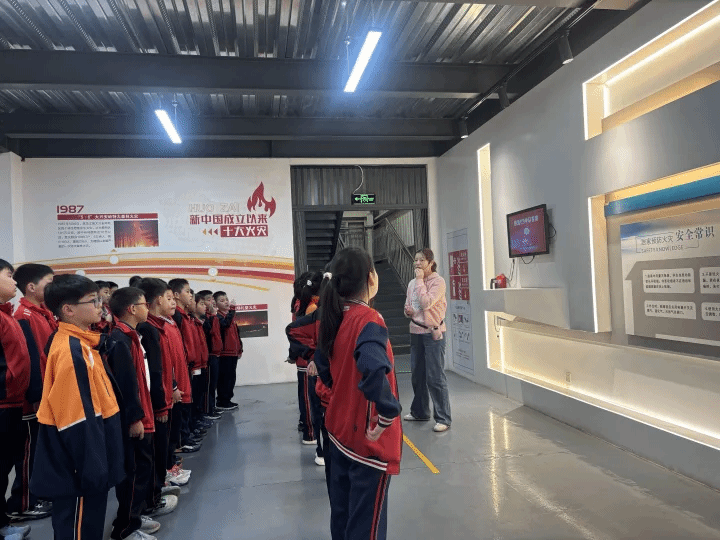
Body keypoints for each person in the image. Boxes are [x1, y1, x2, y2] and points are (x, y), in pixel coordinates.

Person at [316, 247, 402, 540]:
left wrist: (339, 392)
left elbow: (321, 362)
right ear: (371, 278)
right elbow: (372, 367)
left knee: (342, 519)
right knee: (366, 529)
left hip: (338, 434)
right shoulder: (369, 319)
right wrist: (388, 411)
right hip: (366, 444)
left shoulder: (334, 316)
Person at [32, 274, 125, 540]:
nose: (100, 305)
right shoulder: (71, 351)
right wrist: (92, 469)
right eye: (93, 300)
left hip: (89, 455)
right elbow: (76, 419)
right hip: (80, 464)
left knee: (90, 524)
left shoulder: (83, 343)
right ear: (68, 310)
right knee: (79, 528)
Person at [106, 287, 161, 540]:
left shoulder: (131, 335)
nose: (147, 308)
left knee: (142, 469)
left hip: (144, 412)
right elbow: (125, 385)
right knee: (134, 473)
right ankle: (125, 528)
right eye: (144, 304)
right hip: (135, 418)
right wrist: (135, 417)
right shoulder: (120, 339)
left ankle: (135, 517)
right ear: (132, 309)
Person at [8, 263, 56, 521]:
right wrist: (35, 395)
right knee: (28, 453)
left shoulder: (43, 313)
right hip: (32, 399)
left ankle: (40, 493)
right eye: (49, 282)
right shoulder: (24, 315)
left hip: (46, 394)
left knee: (40, 449)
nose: (53, 287)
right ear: (31, 287)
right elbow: (29, 360)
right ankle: (23, 503)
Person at [135, 278, 183, 514]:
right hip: (156, 402)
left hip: (163, 396)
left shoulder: (160, 326)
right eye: (168, 297)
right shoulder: (147, 329)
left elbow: (166, 365)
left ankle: (158, 487)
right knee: (155, 451)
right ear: (157, 300)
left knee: (161, 448)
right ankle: (152, 498)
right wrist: (161, 404)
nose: (172, 302)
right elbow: (154, 371)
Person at [0, 259, 32, 540]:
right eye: (9, 276)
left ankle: (2, 523)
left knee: (5, 467)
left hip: (13, 403)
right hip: (2, 403)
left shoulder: (6, 314)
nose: (14, 281)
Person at [403, 248, 452, 432]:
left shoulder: (438, 282)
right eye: (415, 260)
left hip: (433, 333)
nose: (417, 263)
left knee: (435, 376)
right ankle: (420, 412)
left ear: (431, 263)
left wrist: (419, 280)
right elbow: (409, 305)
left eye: (422, 260)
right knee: (417, 375)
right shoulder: (411, 283)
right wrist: (408, 311)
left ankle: (443, 418)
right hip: (415, 331)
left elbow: (426, 303)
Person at [169, 279, 203, 454]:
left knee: (190, 400)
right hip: (182, 366)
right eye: (187, 291)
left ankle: (187, 434)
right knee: (183, 403)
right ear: (176, 294)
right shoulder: (176, 317)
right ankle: (182, 439)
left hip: (189, 363)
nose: (191, 295)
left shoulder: (183, 316)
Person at [292, 272, 322, 445]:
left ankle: (306, 426)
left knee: (307, 397)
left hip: (305, 358)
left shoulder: (302, 304)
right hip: (308, 359)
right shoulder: (312, 308)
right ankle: (309, 433)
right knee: (308, 398)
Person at [196, 290, 223, 418]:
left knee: (213, 384)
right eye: (208, 300)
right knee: (208, 386)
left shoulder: (212, 315)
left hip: (215, 353)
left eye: (212, 299)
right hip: (209, 354)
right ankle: (207, 410)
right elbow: (209, 331)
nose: (212, 301)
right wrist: (212, 316)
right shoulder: (205, 317)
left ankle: (211, 406)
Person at [214, 291, 242, 411]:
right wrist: (232, 311)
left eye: (226, 299)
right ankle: (222, 401)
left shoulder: (229, 316)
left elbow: (237, 334)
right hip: (225, 353)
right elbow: (225, 325)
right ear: (215, 304)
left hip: (233, 352)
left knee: (231, 377)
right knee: (225, 378)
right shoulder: (219, 317)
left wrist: (240, 348)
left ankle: (227, 399)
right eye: (222, 300)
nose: (226, 302)